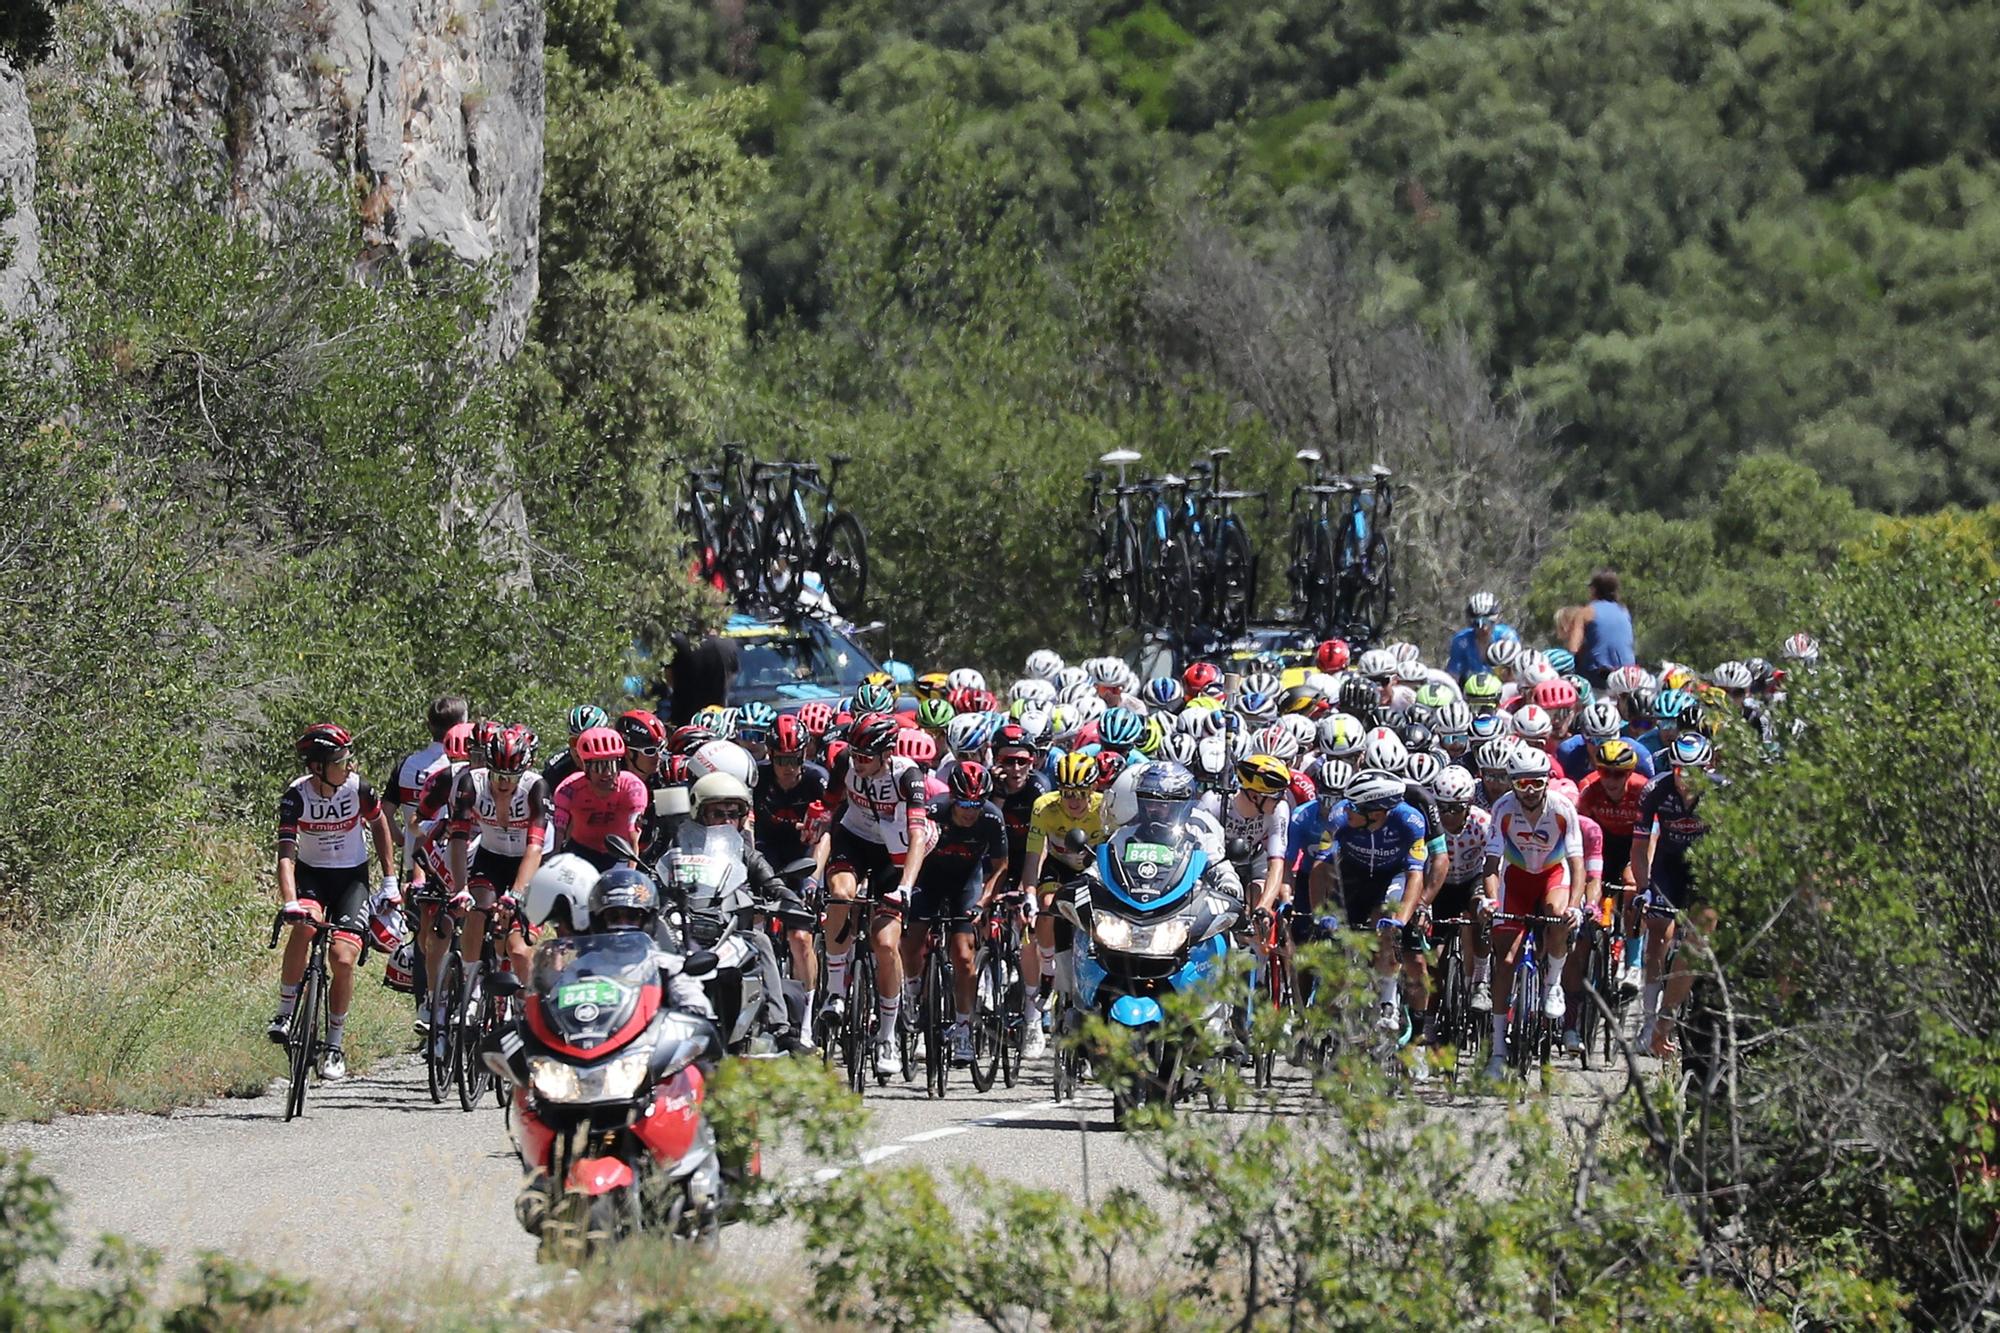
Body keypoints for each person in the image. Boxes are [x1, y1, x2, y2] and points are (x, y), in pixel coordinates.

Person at [270, 724, 397, 1081]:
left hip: (350, 879)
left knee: (342, 958)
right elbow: (286, 857)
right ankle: (284, 1010)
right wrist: (290, 900)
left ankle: (335, 1043)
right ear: (317, 768)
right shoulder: (296, 797)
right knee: (305, 924)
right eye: (341, 761)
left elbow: (381, 826)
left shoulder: (358, 789)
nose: (349, 766)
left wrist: (389, 882)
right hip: (312, 877)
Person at [899, 762, 1008, 1064]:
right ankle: (912, 993)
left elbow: (1000, 867)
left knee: (962, 955)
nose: (970, 812)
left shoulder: (991, 817)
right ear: (952, 799)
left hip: (966, 883)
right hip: (929, 879)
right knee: (910, 941)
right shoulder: (934, 811)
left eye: (976, 804)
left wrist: (983, 903)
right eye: (963, 804)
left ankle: (962, 1028)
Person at [551, 727, 648, 871]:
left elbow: (633, 837)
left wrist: (630, 874)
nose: (607, 773)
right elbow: (558, 834)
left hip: (620, 853)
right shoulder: (568, 789)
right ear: (585, 767)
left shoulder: (633, 788)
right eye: (599, 766)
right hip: (580, 853)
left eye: (612, 765)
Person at [1564, 569, 1637, 689]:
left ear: (1594, 589)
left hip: (1597, 676)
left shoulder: (1586, 612)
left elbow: (1573, 648)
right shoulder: (1624, 611)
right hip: (1627, 675)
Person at [666, 631, 740, 725]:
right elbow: (731, 676)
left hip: (683, 718)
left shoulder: (678, 641)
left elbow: (668, 677)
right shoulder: (728, 645)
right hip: (717, 719)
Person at [1447, 593, 1519, 682]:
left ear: (1497, 619)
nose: (1484, 628)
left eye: (1489, 622)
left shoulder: (1507, 636)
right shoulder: (1461, 641)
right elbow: (1453, 676)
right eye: (1477, 624)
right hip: (1471, 690)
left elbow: (1515, 675)